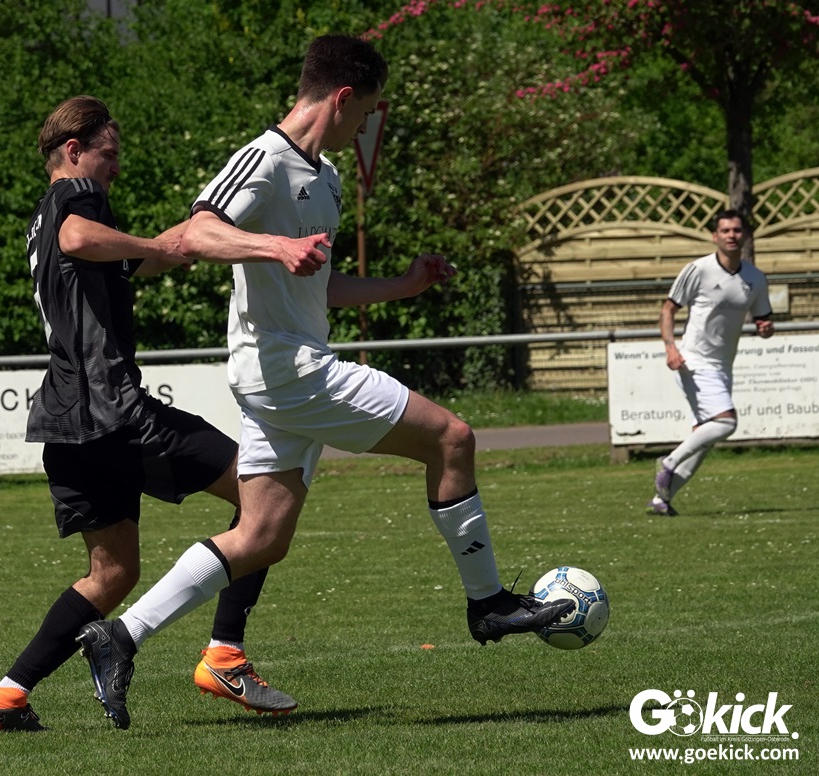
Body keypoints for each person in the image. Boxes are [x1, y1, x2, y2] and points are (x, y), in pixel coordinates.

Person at [75, 35, 574, 730]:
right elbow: (197, 234)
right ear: (341, 99)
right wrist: (274, 245)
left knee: (261, 536)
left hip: (286, 370)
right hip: (288, 369)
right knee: (452, 438)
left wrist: (401, 286)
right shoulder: (263, 159)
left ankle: (121, 636)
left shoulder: (327, 177)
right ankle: (487, 603)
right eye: (364, 113)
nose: (363, 127)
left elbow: (319, 285)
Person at [0, 95, 295, 733]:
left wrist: (202, 237)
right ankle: (225, 654)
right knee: (264, 494)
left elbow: (140, 254)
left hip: (67, 424)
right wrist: (155, 242)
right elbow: (81, 236)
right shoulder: (77, 198)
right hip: (114, 412)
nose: (116, 167)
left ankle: (5, 697)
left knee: (113, 573)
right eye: (109, 153)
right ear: (74, 151)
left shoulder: (42, 220)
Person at [646, 209, 774, 516]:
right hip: (693, 360)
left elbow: (764, 320)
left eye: (737, 230)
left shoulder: (755, 278)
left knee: (704, 437)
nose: (732, 235)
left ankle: (662, 500)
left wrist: (766, 329)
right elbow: (667, 310)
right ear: (715, 236)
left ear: (745, 235)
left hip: (722, 366)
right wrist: (671, 349)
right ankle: (669, 463)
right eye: (725, 230)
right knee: (726, 422)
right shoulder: (698, 269)